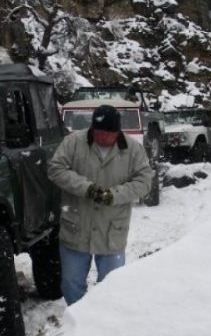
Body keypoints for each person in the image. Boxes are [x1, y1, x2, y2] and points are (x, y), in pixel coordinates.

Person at [48, 104, 154, 305]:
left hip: (112, 229)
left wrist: (113, 195)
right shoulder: (73, 142)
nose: (104, 137)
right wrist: (86, 189)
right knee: (71, 283)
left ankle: (105, 319)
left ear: (118, 131)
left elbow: (144, 182)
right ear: (92, 128)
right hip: (77, 226)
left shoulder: (133, 149)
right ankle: (78, 318)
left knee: (112, 286)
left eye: (109, 133)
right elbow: (56, 169)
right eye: (99, 132)